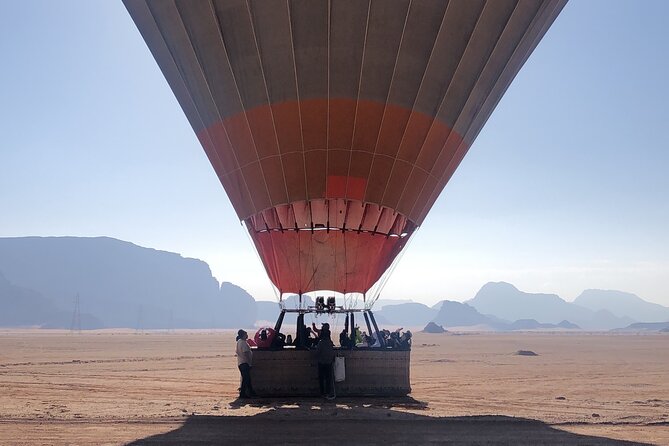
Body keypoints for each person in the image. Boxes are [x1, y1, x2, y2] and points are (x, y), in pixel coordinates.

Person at [316, 327, 336, 399]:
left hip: (321, 362)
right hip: (329, 362)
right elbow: (332, 352)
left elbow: (317, 352)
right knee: (328, 378)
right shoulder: (330, 343)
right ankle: (328, 392)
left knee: (321, 378)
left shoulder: (320, 343)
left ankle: (322, 393)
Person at [235, 329, 256, 398]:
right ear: (243, 335)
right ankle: (243, 394)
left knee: (247, 379)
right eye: (246, 334)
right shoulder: (243, 343)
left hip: (241, 363)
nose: (247, 336)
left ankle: (251, 393)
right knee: (246, 379)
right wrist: (249, 363)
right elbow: (246, 353)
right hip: (244, 363)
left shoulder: (239, 342)